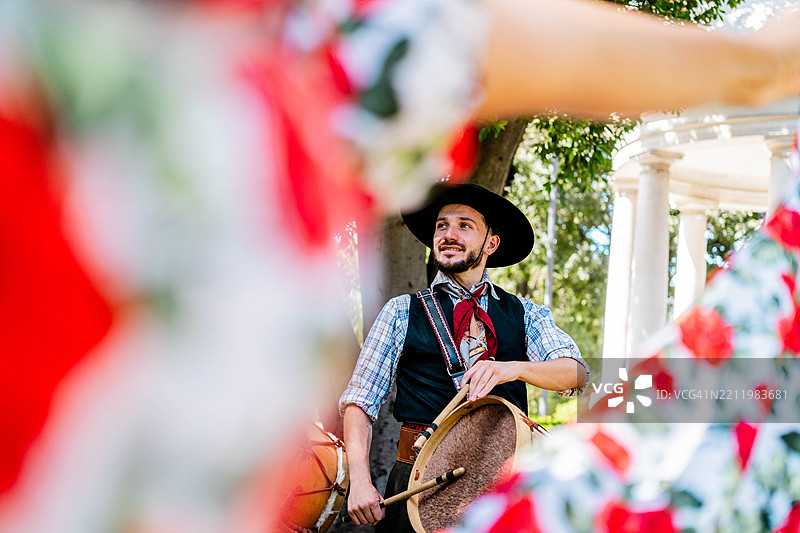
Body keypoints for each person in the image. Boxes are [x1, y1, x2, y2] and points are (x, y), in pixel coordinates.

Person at [339, 183, 589, 530]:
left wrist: (511, 369)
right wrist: (360, 482)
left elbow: (575, 373)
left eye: (464, 225)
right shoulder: (400, 311)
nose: (448, 234)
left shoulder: (524, 313)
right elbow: (359, 402)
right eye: (442, 225)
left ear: (491, 243)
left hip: (503, 487)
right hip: (416, 482)